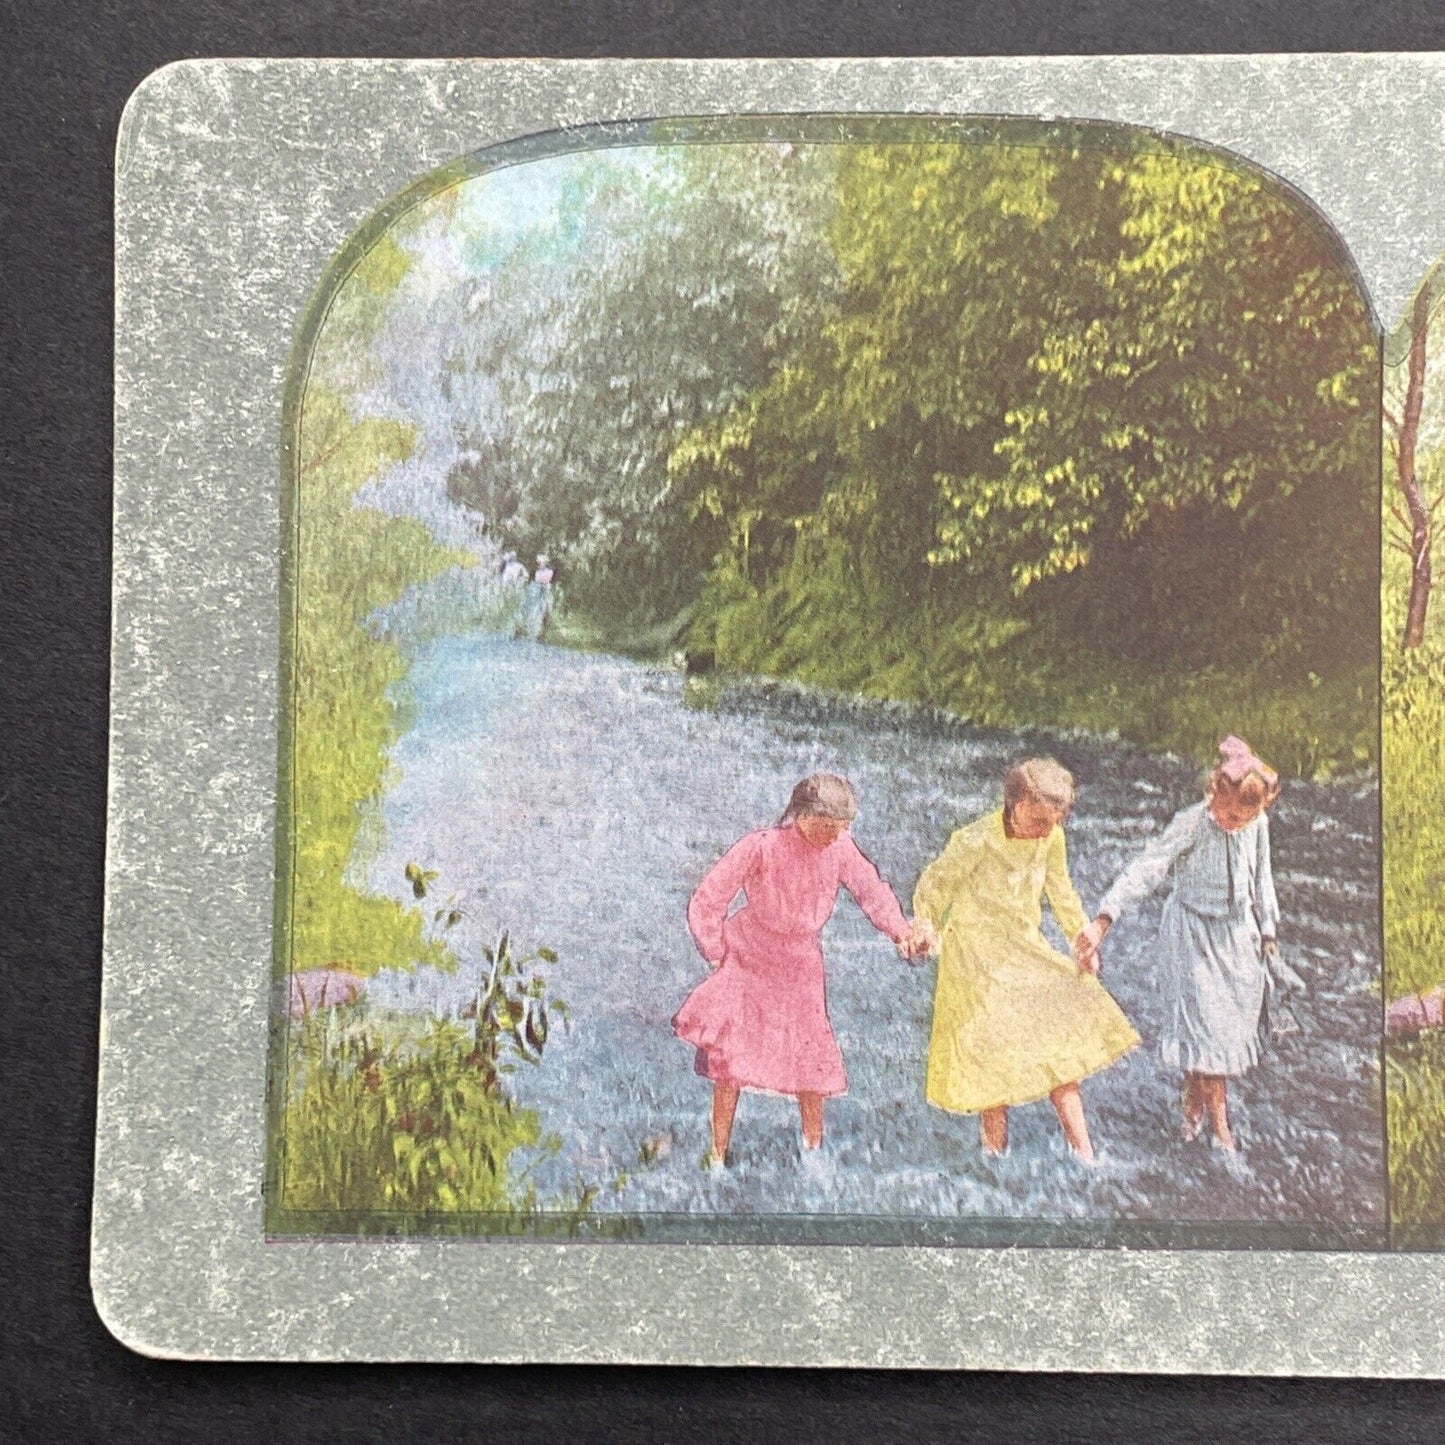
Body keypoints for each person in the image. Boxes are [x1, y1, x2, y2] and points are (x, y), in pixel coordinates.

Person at [673, 773, 928, 1166]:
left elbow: (871, 891)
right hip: (748, 956)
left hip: (801, 964)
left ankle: (813, 1153)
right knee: (730, 1059)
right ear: (801, 815)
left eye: (840, 827)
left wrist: (900, 931)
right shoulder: (760, 846)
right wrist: (714, 950)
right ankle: (717, 1152)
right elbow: (707, 899)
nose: (832, 835)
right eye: (826, 826)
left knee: (812, 1062)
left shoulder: (841, 849)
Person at [912, 758, 1138, 1162]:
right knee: (990, 1063)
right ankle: (994, 1156)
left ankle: (1084, 1155)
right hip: (975, 962)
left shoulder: (1051, 838)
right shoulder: (974, 841)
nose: (1041, 831)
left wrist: (1081, 938)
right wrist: (925, 926)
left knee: (1057, 1049)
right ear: (1012, 805)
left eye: (1051, 823)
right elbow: (933, 887)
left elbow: (1062, 891)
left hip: (1023, 950)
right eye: (1035, 821)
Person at [1077, 736, 1283, 1152]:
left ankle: (1191, 1106)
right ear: (1214, 791)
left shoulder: (1255, 824)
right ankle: (1224, 1135)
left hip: (1235, 938)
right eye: (1227, 815)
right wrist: (1105, 918)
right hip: (1191, 938)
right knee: (1206, 1033)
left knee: (1217, 1035)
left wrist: (1268, 932)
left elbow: (1262, 878)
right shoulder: (1192, 823)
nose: (1233, 824)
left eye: (1243, 819)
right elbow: (1147, 869)